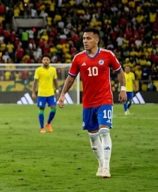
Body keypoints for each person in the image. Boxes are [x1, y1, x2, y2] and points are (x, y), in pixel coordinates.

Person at [57, 27, 125, 179]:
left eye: (88, 38)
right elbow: (71, 78)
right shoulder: (78, 58)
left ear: (96, 40)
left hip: (104, 99)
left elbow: (119, 72)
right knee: (93, 136)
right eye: (83, 38)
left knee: (104, 131)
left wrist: (123, 89)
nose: (85, 41)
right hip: (88, 102)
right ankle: (100, 164)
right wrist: (62, 94)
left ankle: (106, 166)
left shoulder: (108, 55)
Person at [32, 55, 58, 133]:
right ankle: (42, 128)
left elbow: (55, 81)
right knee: (41, 109)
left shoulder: (53, 69)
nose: (46, 61)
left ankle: (48, 123)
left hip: (51, 93)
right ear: (42, 61)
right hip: (41, 94)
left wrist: (57, 91)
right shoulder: (38, 70)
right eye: (44, 59)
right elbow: (35, 82)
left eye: (47, 59)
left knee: (54, 108)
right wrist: (33, 92)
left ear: (49, 61)